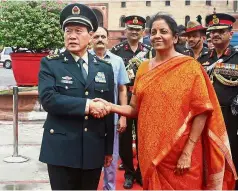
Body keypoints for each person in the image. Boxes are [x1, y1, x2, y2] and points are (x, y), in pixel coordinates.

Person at [92, 13, 237, 190]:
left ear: (175, 37)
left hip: (181, 149)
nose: (157, 35)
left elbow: (202, 111)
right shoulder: (143, 68)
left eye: (163, 31)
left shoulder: (190, 67)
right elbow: (134, 109)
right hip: (150, 149)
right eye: (153, 32)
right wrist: (111, 106)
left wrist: (187, 151)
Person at [38, 3, 115, 190]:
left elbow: (109, 108)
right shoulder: (51, 64)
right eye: (68, 31)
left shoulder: (104, 67)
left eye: (78, 31)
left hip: (93, 148)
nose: (72, 36)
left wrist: (108, 148)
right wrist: (87, 105)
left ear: (90, 36)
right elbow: (48, 99)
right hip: (60, 149)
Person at [111, 15, 153, 189]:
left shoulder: (151, 51)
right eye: (131, 29)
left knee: (145, 137)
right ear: (125, 31)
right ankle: (128, 172)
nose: (134, 32)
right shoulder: (116, 51)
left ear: (143, 31)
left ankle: (142, 172)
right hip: (125, 98)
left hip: (145, 100)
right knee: (125, 137)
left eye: (138, 29)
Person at [89, 26, 130, 190]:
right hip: (89, 117)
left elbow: (122, 89)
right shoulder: (84, 60)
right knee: (90, 157)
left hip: (111, 118)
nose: (100, 39)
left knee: (111, 158)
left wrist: (123, 115)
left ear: (107, 39)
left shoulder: (117, 61)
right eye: (97, 36)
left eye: (103, 36)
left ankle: (110, 188)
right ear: (91, 39)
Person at [203, 13, 238, 189]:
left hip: (230, 117)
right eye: (212, 31)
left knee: (233, 156)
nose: (215, 34)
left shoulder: (237, 57)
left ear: (230, 34)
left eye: (221, 31)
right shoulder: (203, 59)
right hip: (207, 117)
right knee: (209, 156)